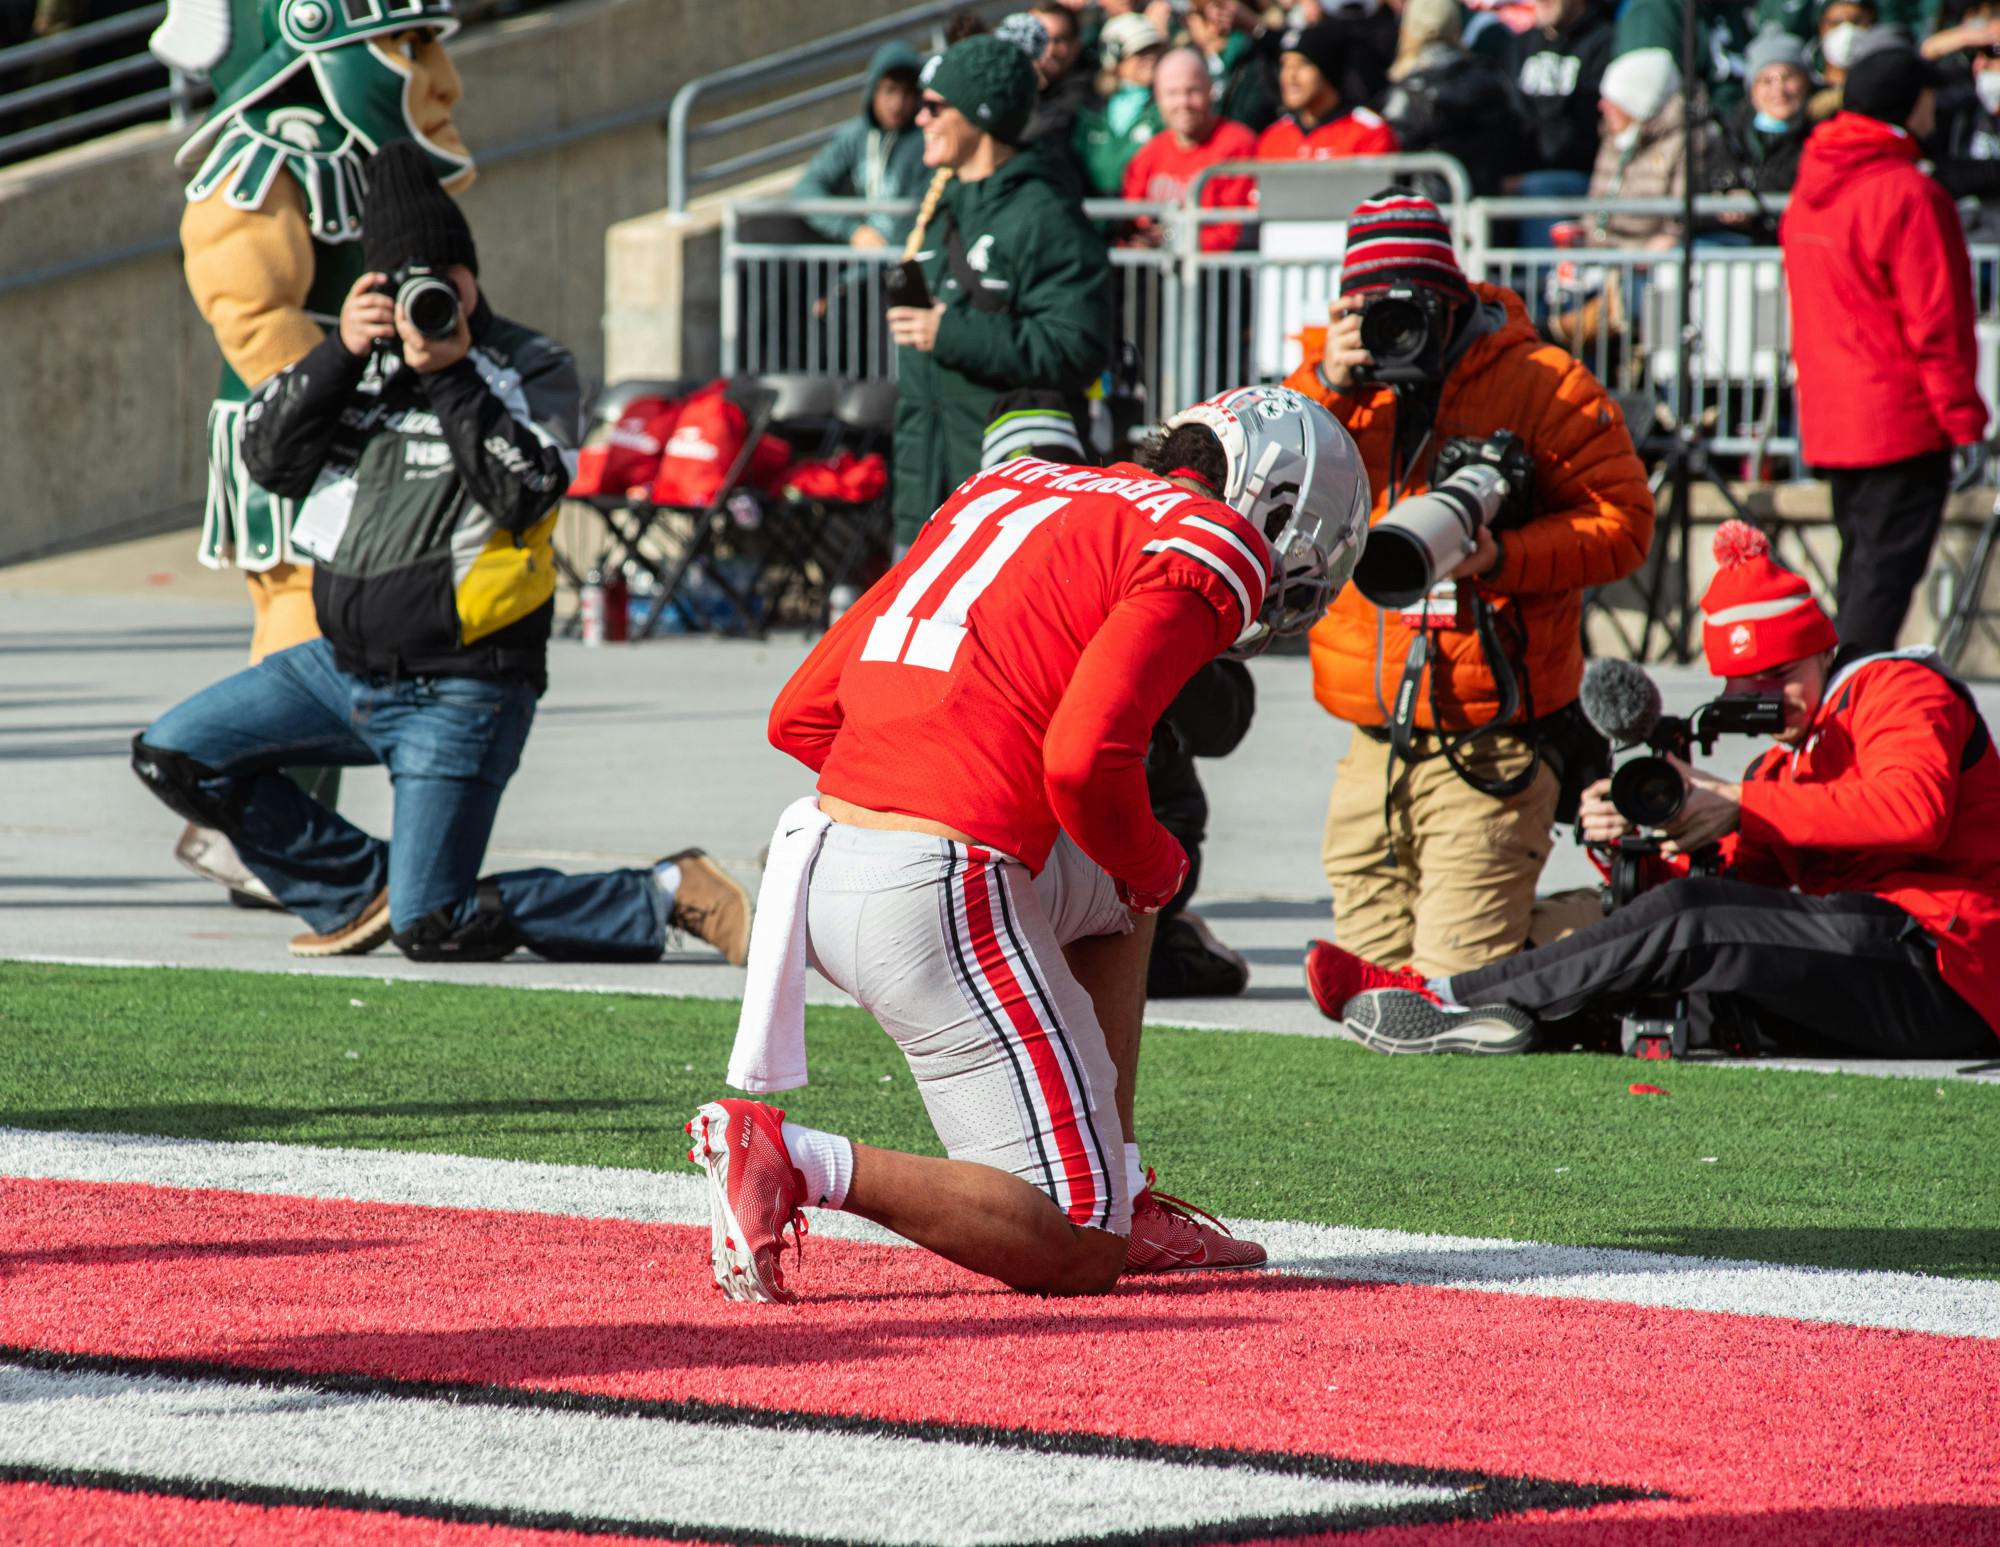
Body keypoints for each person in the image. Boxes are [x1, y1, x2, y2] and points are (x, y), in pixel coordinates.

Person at [691, 386, 1369, 1302]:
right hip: (933, 882)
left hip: (824, 858)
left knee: (1122, 892)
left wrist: (932, 780)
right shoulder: (1207, 537)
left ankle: (1123, 1182)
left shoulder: (1002, 490)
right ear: (1277, 502)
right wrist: (1150, 860)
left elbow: (801, 713)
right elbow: (1089, 759)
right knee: (1079, 1243)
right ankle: (797, 1158)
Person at [129, 146, 752, 968]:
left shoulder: (534, 366)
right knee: (174, 753)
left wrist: (455, 377)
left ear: (471, 277)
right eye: (399, 283)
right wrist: (339, 352)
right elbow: (267, 462)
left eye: (442, 281)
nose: (425, 300)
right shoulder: (353, 365)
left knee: (437, 928)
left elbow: (529, 490)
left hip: (464, 688)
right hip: (338, 670)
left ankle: (669, 891)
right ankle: (364, 888)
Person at [1305, 522, 2000, 1060]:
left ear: (1822, 647)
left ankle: (1442, 996)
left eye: (1777, 674)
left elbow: (1914, 811)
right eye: (1745, 685)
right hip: (1885, 964)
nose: (1765, 699)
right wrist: (1633, 836)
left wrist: (1735, 802)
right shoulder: (1777, 770)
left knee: (1697, 917)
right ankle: (1485, 1015)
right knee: (1660, 994)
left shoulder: (1898, 687)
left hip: (1950, 962)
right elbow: (1716, 888)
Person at [146, 0, 475, 909]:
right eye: (409, 45)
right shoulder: (269, 151)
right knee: (308, 620)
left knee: (341, 626)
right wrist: (333, 396)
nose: (439, 76)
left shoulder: (366, 155)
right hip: (295, 429)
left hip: (353, 420)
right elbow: (248, 303)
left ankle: (257, 827)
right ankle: (242, 823)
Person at [1285, 189, 1653, 981]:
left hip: (1494, 733)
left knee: (1454, 980)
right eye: (1369, 308)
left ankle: (1635, 915)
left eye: (1409, 309)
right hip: (1371, 738)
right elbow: (1267, 497)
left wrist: (1502, 557)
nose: (1394, 331)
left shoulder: (1541, 382)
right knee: (1372, 979)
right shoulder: (1330, 386)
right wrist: (1326, 384)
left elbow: (1624, 524)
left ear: (1451, 300)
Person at [1781, 31, 1987, 656]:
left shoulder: (1814, 186)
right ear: (1909, 103)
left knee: (1861, 576)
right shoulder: (1909, 194)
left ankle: (1840, 707)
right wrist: (1964, 424)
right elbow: (1937, 326)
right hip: (1899, 420)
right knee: (1879, 590)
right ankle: (1843, 717)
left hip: (1835, 418)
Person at [887, 35, 1112, 553]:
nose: (920, 118)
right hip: (925, 503)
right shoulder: (943, 204)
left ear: (979, 114)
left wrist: (951, 332)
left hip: (1007, 511)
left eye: (935, 106)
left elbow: (1077, 347)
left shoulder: (1043, 213)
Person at [1377, 0, 1536, 194]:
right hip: (1486, 206)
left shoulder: (1407, 91)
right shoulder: (1488, 78)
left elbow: (1393, 163)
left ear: (1409, 28)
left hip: (1427, 209)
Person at [1121, 46, 1259, 251]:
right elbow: (1132, 219)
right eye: (1172, 93)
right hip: (1157, 275)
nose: (1183, 103)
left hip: (1215, 275)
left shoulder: (1238, 145)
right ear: (1158, 98)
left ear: (1210, 90)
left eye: (1192, 91)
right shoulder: (1150, 152)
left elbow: (1234, 231)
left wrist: (1172, 241)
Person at [793, 43, 928, 251]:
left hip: (911, 261)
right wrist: (852, 230)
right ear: (873, 91)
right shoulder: (856, 135)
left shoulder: (928, 140)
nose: (898, 103)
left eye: (907, 93)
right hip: (869, 264)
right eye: (889, 91)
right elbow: (805, 189)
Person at [1583, 48, 1703, 249]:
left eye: (1613, 100)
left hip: (1651, 257)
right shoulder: (1612, 138)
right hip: (1604, 252)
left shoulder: (1685, 142)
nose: (1602, 106)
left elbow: (1678, 219)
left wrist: (1657, 247)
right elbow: (1594, 208)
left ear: (1637, 102)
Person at [1707, 24, 1815, 239]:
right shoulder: (1730, 133)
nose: (1779, 90)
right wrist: (1726, 198)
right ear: (1752, 90)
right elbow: (1705, 182)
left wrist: (1753, 198)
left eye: (1788, 78)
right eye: (1766, 80)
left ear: (1805, 82)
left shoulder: (1820, 133)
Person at [1511, 0, 1618, 211]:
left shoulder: (1605, 42)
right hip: (1519, 180)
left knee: (1540, 189)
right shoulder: (1518, 46)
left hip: (1581, 182)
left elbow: (1589, 128)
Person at [1255, 20, 1400, 158]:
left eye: (1302, 64)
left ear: (1326, 71)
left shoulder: (1368, 132)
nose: (1290, 76)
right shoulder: (1274, 137)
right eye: (1285, 65)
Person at [1074, 12, 1169, 194]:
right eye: (1140, 51)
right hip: (1094, 213)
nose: (1150, 58)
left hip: (1144, 212)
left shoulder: (1164, 107)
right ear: (1114, 56)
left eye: (1154, 49)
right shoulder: (1091, 109)